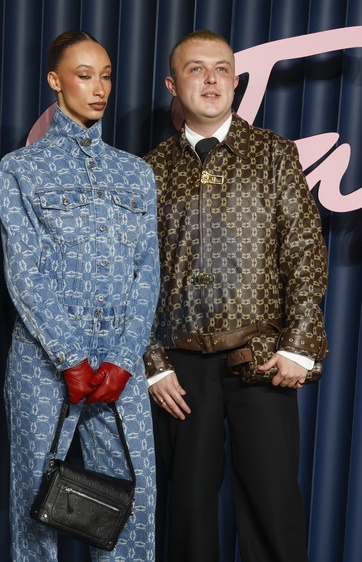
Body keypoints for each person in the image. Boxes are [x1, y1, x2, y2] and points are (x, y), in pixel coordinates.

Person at [143, 29, 328, 562]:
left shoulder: (274, 154)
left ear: (236, 81)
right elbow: (135, 278)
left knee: (274, 508)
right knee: (188, 513)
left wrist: (299, 346)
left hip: (263, 358)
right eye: (196, 69)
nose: (211, 79)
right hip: (181, 369)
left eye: (221, 69)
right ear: (172, 85)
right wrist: (153, 365)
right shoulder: (150, 170)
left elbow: (304, 252)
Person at [0, 30, 159, 562]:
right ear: (55, 80)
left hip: (120, 362)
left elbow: (148, 273)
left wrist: (123, 357)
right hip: (43, 362)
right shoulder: (20, 168)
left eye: (106, 76)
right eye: (85, 75)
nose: (99, 88)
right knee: (36, 505)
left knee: (131, 503)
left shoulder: (136, 173)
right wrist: (69, 357)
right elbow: (24, 273)